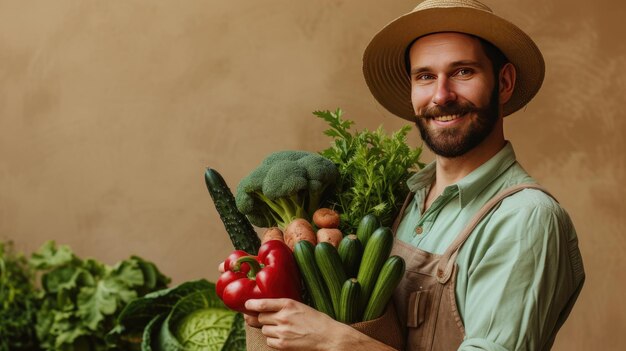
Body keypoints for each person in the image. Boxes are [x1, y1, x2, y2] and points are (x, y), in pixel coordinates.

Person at [237, 0, 586, 350]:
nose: (441, 95)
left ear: (504, 82)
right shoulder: (403, 198)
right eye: (425, 76)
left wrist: (334, 340)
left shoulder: (524, 220)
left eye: (463, 72)